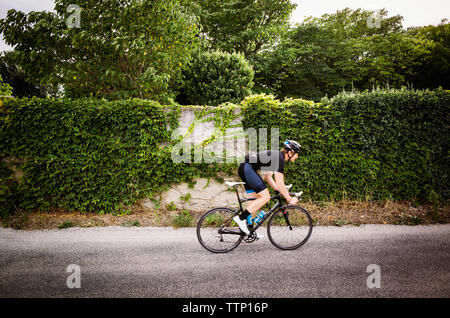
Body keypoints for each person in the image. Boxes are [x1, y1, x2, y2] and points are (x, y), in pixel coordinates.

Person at [233, 140, 302, 236]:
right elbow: (280, 181)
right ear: (290, 152)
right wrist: (289, 199)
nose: (297, 156)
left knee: (255, 200)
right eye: (297, 154)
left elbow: (268, 177)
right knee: (266, 197)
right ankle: (240, 219)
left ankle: (249, 230)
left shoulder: (276, 156)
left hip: (245, 167)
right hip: (247, 168)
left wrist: (278, 190)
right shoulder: (280, 158)